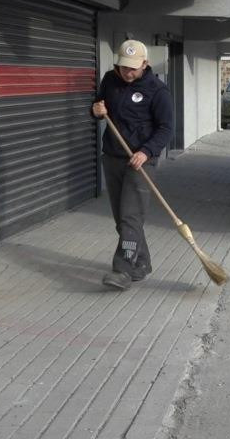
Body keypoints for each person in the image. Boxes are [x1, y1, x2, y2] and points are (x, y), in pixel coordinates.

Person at [92, 39, 174, 290]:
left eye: (133, 68)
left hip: (140, 162)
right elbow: (99, 106)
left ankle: (123, 269)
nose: (127, 72)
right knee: (124, 219)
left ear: (145, 64)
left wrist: (146, 152)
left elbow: (166, 129)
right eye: (123, 67)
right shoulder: (110, 80)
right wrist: (95, 110)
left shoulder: (157, 90)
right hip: (113, 156)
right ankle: (142, 263)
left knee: (130, 216)